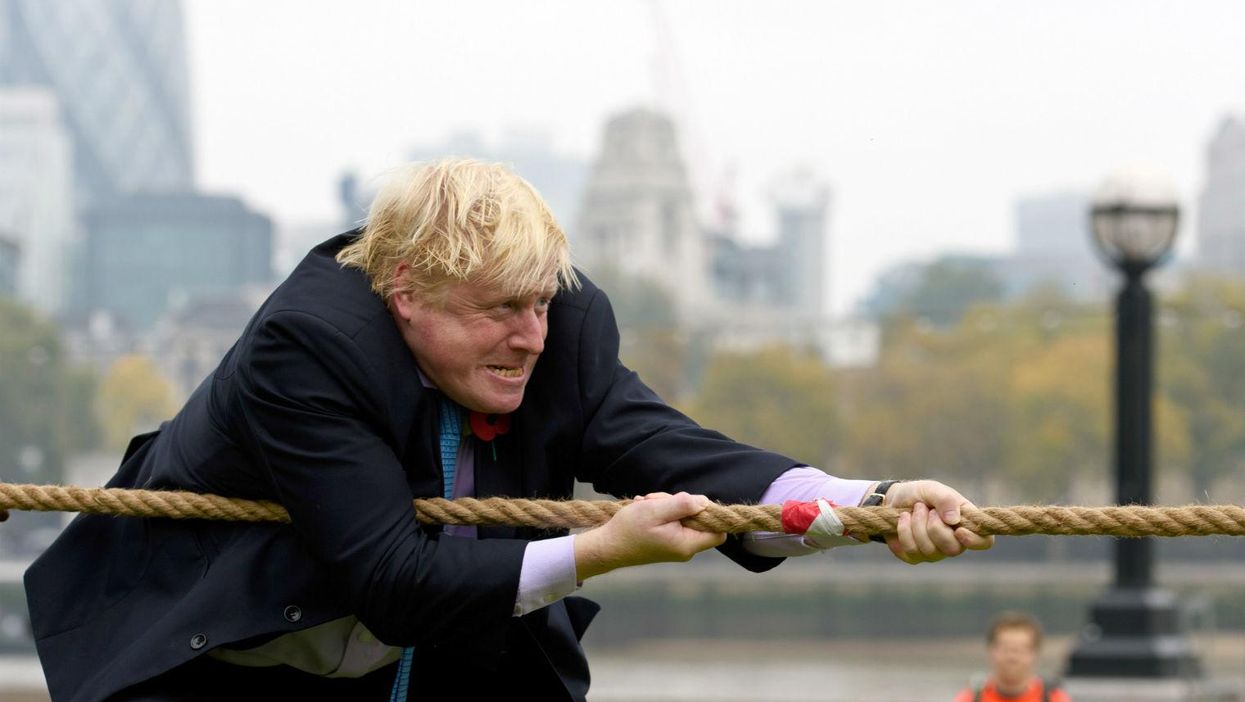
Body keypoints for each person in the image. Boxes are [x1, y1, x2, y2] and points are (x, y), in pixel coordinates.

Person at [25, 159, 992, 702]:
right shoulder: (306, 346)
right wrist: (599, 549)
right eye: (497, 310)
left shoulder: (561, 325)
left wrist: (864, 503)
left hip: (452, 671)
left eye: (539, 304)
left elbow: (678, 449)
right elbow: (397, 583)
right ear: (403, 293)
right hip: (223, 663)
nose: (528, 337)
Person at [954, 612, 1071, 702]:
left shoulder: (1054, 698)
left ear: (1034, 653)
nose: (1012, 657)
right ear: (991, 651)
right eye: (1006, 649)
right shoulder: (970, 698)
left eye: (1020, 650)